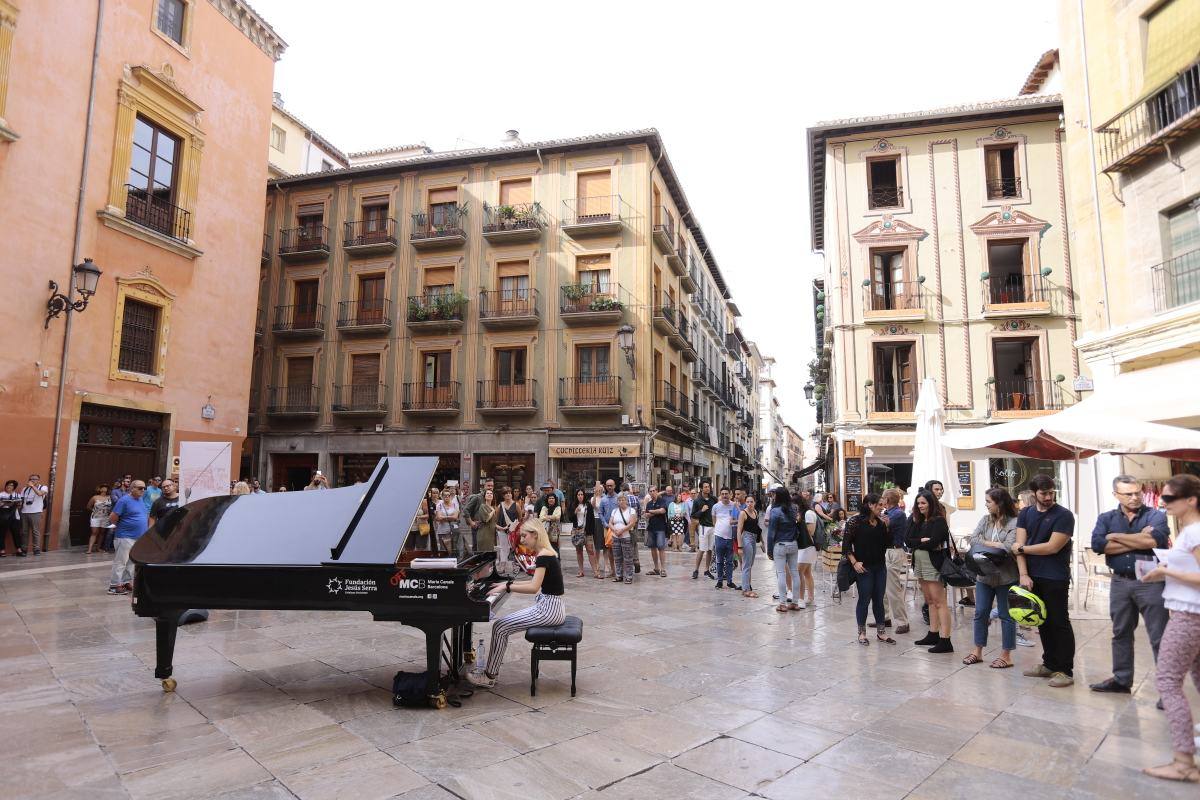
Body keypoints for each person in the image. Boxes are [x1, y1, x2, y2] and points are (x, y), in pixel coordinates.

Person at [1138, 474, 1200, 784]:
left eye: (1169, 498)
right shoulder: (1190, 531)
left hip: (1190, 616)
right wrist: (1165, 571)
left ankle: (1183, 762)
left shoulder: (1195, 532)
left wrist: (1168, 571)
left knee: (1168, 681)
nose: (1163, 503)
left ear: (1191, 500)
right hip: (1191, 613)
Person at [1089, 475, 1171, 696]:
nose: (1135, 497)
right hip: (1120, 581)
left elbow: (1153, 541)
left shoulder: (1156, 515)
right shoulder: (1106, 518)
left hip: (1151, 582)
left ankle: (1168, 691)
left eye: (1137, 492)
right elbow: (1098, 544)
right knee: (1121, 632)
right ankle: (1121, 680)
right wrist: (1137, 539)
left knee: (1160, 636)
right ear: (1116, 495)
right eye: (1128, 494)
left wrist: (1115, 536)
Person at [467, 516, 566, 689]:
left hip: (549, 610)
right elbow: (534, 583)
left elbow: (533, 587)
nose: (522, 540)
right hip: (552, 607)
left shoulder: (543, 556)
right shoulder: (548, 552)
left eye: (524, 536)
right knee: (501, 626)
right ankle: (490, 673)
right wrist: (506, 584)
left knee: (500, 627)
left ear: (535, 534)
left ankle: (489, 676)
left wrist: (507, 587)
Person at [1015, 474, 1077, 688]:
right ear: (1034, 493)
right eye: (1044, 493)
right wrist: (1023, 574)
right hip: (1032, 576)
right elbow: (1018, 546)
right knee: (1041, 621)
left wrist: (1023, 549)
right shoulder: (1025, 513)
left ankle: (1065, 670)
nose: (1049, 497)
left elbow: (1052, 547)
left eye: (1052, 492)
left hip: (1055, 576)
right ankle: (1049, 664)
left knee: (1059, 622)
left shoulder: (1064, 515)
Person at [963, 488, 1020, 669]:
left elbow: (1009, 547)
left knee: (1006, 615)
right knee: (980, 613)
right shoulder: (985, 520)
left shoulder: (1015, 522)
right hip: (984, 575)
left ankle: (1006, 655)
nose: (986, 505)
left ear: (999, 503)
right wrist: (994, 545)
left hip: (1006, 577)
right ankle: (977, 651)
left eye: (989, 501)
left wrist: (986, 544)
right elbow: (973, 539)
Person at [906, 490, 954, 653]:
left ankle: (945, 640)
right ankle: (933, 633)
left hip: (933, 563)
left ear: (931, 504)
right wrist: (921, 541)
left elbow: (934, 542)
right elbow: (907, 540)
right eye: (918, 503)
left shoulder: (939, 520)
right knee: (930, 601)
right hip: (919, 562)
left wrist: (918, 543)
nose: (920, 506)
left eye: (923, 503)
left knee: (939, 601)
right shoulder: (917, 520)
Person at [844, 494, 895, 645]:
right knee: (864, 599)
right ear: (870, 505)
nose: (882, 508)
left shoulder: (880, 522)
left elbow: (888, 543)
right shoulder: (855, 521)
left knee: (879, 599)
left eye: (883, 505)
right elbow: (846, 545)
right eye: (880, 505)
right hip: (864, 568)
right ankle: (861, 633)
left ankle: (881, 633)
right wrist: (854, 562)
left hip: (880, 566)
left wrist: (887, 527)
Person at [108, 480, 148, 594]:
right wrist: (121, 526)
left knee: (131, 562)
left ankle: (126, 582)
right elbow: (113, 517)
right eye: (140, 488)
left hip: (138, 537)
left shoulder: (140, 500)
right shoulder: (124, 500)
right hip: (125, 536)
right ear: (132, 488)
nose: (143, 490)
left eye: (144, 488)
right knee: (121, 562)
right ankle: (114, 585)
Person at [766, 487, 802, 612]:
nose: (773, 496)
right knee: (795, 573)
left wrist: (769, 550)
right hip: (793, 543)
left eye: (775, 495)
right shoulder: (794, 508)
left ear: (778, 496)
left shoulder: (775, 511)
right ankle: (795, 603)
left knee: (781, 573)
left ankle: (782, 604)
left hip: (780, 544)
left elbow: (771, 533)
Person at [882, 489, 910, 634]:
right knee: (882, 589)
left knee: (893, 589)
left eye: (883, 498)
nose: (881, 500)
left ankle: (903, 622)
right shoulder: (888, 513)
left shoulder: (898, 514)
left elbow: (883, 529)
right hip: (887, 551)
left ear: (887, 499)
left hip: (894, 551)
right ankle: (884, 618)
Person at [711, 488, 740, 590]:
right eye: (722, 494)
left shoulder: (734, 505)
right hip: (719, 536)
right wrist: (719, 529)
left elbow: (740, 518)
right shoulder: (716, 506)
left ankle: (729, 581)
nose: (724, 496)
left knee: (729, 561)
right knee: (719, 560)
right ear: (720, 495)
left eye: (726, 494)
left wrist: (738, 507)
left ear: (730, 495)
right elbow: (714, 520)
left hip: (730, 537)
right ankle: (719, 581)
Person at [569, 488, 599, 579]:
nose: (580, 496)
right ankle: (581, 571)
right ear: (576, 496)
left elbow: (592, 519)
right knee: (579, 551)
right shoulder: (573, 505)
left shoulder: (588, 505)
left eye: (582, 494)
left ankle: (596, 572)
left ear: (584, 495)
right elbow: (570, 518)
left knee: (590, 551)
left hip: (587, 532)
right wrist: (575, 512)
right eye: (578, 495)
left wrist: (592, 532)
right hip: (577, 531)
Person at [608, 492, 637, 584]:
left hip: (626, 536)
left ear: (626, 501)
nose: (621, 501)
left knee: (628, 557)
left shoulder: (631, 510)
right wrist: (615, 530)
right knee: (617, 557)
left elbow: (632, 523)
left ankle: (629, 576)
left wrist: (622, 530)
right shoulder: (614, 511)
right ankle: (619, 575)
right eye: (619, 500)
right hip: (615, 536)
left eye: (623, 500)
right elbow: (610, 523)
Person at [738, 495, 763, 598]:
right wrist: (740, 546)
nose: (749, 504)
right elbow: (739, 530)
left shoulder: (755, 512)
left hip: (754, 538)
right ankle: (746, 590)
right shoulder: (743, 513)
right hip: (746, 538)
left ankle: (747, 586)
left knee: (750, 564)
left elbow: (757, 528)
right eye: (747, 502)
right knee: (746, 564)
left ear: (754, 502)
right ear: (745, 503)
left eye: (751, 501)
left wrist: (762, 542)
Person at [690, 481, 716, 580]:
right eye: (705, 487)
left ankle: (706, 570)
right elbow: (693, 515)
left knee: (710, 550)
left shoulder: (713, 499)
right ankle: (696, 570)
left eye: (708, 486)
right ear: (701, 488)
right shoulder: (697, 501)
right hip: (704, 527)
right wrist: (702, 510)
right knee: (702, 549)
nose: (707, 488)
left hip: (713, 527)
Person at [795, 495, 817, 607]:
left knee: (799, 573)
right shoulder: (804, 513)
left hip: (808, 546)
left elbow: (811, 531)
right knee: (807, 573)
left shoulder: (808, 513)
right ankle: (810, 597)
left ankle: (801, 598)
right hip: (805, 547)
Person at [643, 485, 670, 577]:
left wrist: (651, 512)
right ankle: (656, 568)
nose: (652, 492)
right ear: (649, 493)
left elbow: (662, 511)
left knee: (661, 548)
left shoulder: (662, 501)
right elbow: (646, 515)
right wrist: (655, 512)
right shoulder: (649, 503)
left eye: (654, 490)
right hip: (651, 528)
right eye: (650, 491)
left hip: (660, 528)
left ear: (657, 491)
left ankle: (663, 569)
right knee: (652, 548)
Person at [19, 473, 48, 556]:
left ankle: (36, 549)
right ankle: (24, 549)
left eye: (35, 479)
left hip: (36, 512)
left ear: (38, 480)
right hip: (24, 512)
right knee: (24, 532)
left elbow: (40, 494)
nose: (32, 480)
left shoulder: (43, 487)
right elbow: (22, 500)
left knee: (35, 531)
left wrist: (32, 486)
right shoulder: (25, 489)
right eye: (31, 479)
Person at [590, 483, 613, 578]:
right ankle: (597, 564)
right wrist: (595, 495)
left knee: (605, 544)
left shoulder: (605, 498)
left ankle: (606, 564)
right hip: (596, 520)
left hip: (604, 521)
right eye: (598, 489)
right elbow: (594, 506)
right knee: (597, 544)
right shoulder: (593, 498)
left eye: (601, 489)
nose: (599, 491)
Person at [496, 486, 521, 564]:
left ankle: (515, 565)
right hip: (502, 530)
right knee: (503, 548)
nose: (508, 494)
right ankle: (503, 565)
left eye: (509, 493)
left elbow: (520, 518)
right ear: (503, 495)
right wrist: (501, 528)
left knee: (514, 548)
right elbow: (496, 520)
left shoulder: (516, 505)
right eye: (506, 493)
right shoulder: (500, 506)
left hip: (514, 531)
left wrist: (516, 528)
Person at [85, 484, 112, 555]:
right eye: (103, 487)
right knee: (94, 532)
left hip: (105, 517)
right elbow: (88, 506)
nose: (104, 488)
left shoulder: (109, 497)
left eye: (106, 488)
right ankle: (89, 549)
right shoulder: (95, 497)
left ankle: (98, 548)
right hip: (95, 517)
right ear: (99, 489)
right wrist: (95, 511)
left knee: (102, 533)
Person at [0, 480, 24, 557]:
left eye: (11, 485)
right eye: (7, 485)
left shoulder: (17, 495)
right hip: (3, 514)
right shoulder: (1, 494)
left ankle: (19, 550)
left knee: (16, 533)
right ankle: (2, 550)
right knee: (2, 533)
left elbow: (19, 506)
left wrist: (18, 504)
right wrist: (3, 504)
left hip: (14, 515)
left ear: (14, 487)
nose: (9, 486)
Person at [435, 487, 461, 555]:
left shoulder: (455, 505)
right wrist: (450, 517)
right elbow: (439, 517)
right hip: (442, 531)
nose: (447, 497)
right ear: (442, 496)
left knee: (453, 549)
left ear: (450, 496)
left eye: (448, 495)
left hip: (453, 530)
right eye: (445, 495)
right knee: (443, 550)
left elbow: (455, 517)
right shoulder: (439, 505)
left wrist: (444, 517)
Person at [476, 488, 498, 555]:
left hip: (491, 535)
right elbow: (486, 519)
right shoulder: (482, 506)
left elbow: (494, 523)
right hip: (484, 534)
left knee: (490, 555)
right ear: (484, 496)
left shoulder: (493, 507)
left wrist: (503, 528)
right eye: (487, 493)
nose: (489, 494)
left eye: (491, 493)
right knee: (483, 555)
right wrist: (493, 511)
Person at [668, 488, 690, 554]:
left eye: (680, 496)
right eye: (678, 496)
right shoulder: (671, 504)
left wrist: (681, 515)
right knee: (674, 534)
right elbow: (669, 513)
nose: (679, 498)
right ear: (676, 497)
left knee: (680, 534)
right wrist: (672, 517)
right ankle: (675, 547)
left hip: (680, 520)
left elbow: (685, 511)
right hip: (673, 520)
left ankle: (679, 546)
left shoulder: (683, 504)